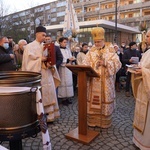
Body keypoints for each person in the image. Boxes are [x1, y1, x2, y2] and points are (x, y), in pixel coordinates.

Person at [82, 27, 121, 128]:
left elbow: (118, 63)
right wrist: (94, 64)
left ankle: (104, 122)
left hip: (106, 82)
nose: (97, 44)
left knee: (105, 100)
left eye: (99, 42)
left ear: (103, 40)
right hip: (93, 82)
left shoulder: (110, 50)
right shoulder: (91, 51)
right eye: (95, 42)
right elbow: (84, 64)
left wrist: (106, 63)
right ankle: (92, 121)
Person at [22, 25, 60, 123]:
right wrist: (40, 60)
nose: (44, 37)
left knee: (50, 93)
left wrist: (50, 64)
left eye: (45, 35)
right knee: (39, 96)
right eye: (43, 35)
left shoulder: (45, 46)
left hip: (47, 74)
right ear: (37, 34)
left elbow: (50, 58)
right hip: (38, 76)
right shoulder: (29, 47)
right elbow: (28, 64)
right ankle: (39, 118)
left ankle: (50, 116)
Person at [131, 29, 150, 150]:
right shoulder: (148, 52)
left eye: (148, 36)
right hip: (145, 87)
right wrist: (138, 68)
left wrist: (143, 71)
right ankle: (138, 140)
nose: (146, 38)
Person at [58, 37, 75, 106]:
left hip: (68, 68)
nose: (66, 43)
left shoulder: (68, 49)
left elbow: (70, 56)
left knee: (68, 82)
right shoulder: (58, 50)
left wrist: (72, 59)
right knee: (63, 83)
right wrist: (67, 60)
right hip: (62, 69)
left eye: (66, 42)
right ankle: (63, 99)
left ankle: (68, 97)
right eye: (64, 42)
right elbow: (60, 59)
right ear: (60, 42)